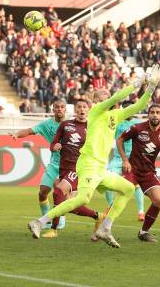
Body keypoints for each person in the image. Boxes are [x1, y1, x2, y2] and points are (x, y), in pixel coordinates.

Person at [28, 66, 160, 247]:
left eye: (107, 91)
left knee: (128, 189)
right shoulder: (96, 110)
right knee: (83, 199)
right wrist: (137, 83)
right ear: (97, 99)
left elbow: (138, 106)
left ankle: (105, 228)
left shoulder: (115, 115)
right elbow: (117, 97)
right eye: (103, 92)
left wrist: (151, 88)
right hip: (89, 164)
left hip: (101, 167)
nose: (107, 92)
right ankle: (40, 222)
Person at [117, 104, 160, 242]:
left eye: (158, 112)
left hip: (148, 172)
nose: (155, 115)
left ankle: (143, 232)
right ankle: (105, 226)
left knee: (158, 201)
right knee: (123, 195)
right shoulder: (137, 128)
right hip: (132, 169)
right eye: (152, 112)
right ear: (148, 115)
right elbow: (120, 140)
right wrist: (125, 161)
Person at [41, 99, 105, 238]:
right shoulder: (65, 125)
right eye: (79, 107)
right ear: (75, 110)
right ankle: (98, 216)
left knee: (58, 192)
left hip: (78, 168)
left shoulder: (93, 127)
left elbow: (99, 148)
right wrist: (54, 147)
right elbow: (53, 143)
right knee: (69, 205)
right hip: (64, 168)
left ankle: (53, 229)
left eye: (84, 107)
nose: (82, 110)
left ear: (88, 110)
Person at [12, 99, 68, 230]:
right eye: (57, 107)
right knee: (42, 192)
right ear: (53, 109)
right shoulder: (46, 125)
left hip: (68, 165)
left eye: (62, 107)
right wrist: (17, 134)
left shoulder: (71, 125)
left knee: (59, 189)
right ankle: (47, 220)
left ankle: (61, 220)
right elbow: (30, 130)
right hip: (54, 164)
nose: (59, 109)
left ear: (65, 110)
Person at [106, 111, 145, 221]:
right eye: (127, 109)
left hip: (133, 160)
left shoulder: (138, 123)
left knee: (136, 185)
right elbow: (108, 129)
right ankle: (110, 205)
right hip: (118, 159)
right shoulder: (117, 123)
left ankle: (141, 211)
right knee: (107, 179)